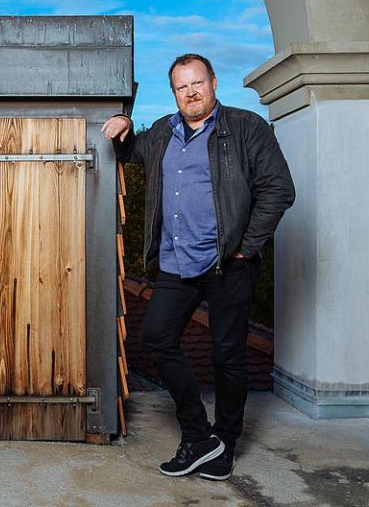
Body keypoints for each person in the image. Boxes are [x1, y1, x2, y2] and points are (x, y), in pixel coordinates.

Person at [101, 54, 294, 480]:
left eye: (197, 83)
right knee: (156, 338)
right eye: (181, 87)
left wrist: (244, 246)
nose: (190, 92)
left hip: (229, 264)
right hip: (175, 262)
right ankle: (199, 434)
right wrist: (121, 125)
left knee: (228, 356)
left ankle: (224, 445)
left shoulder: (246, 128)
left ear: (213, 82)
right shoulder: (164, 133)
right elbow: (130, 151)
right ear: (174, 93)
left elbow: (279, 189)